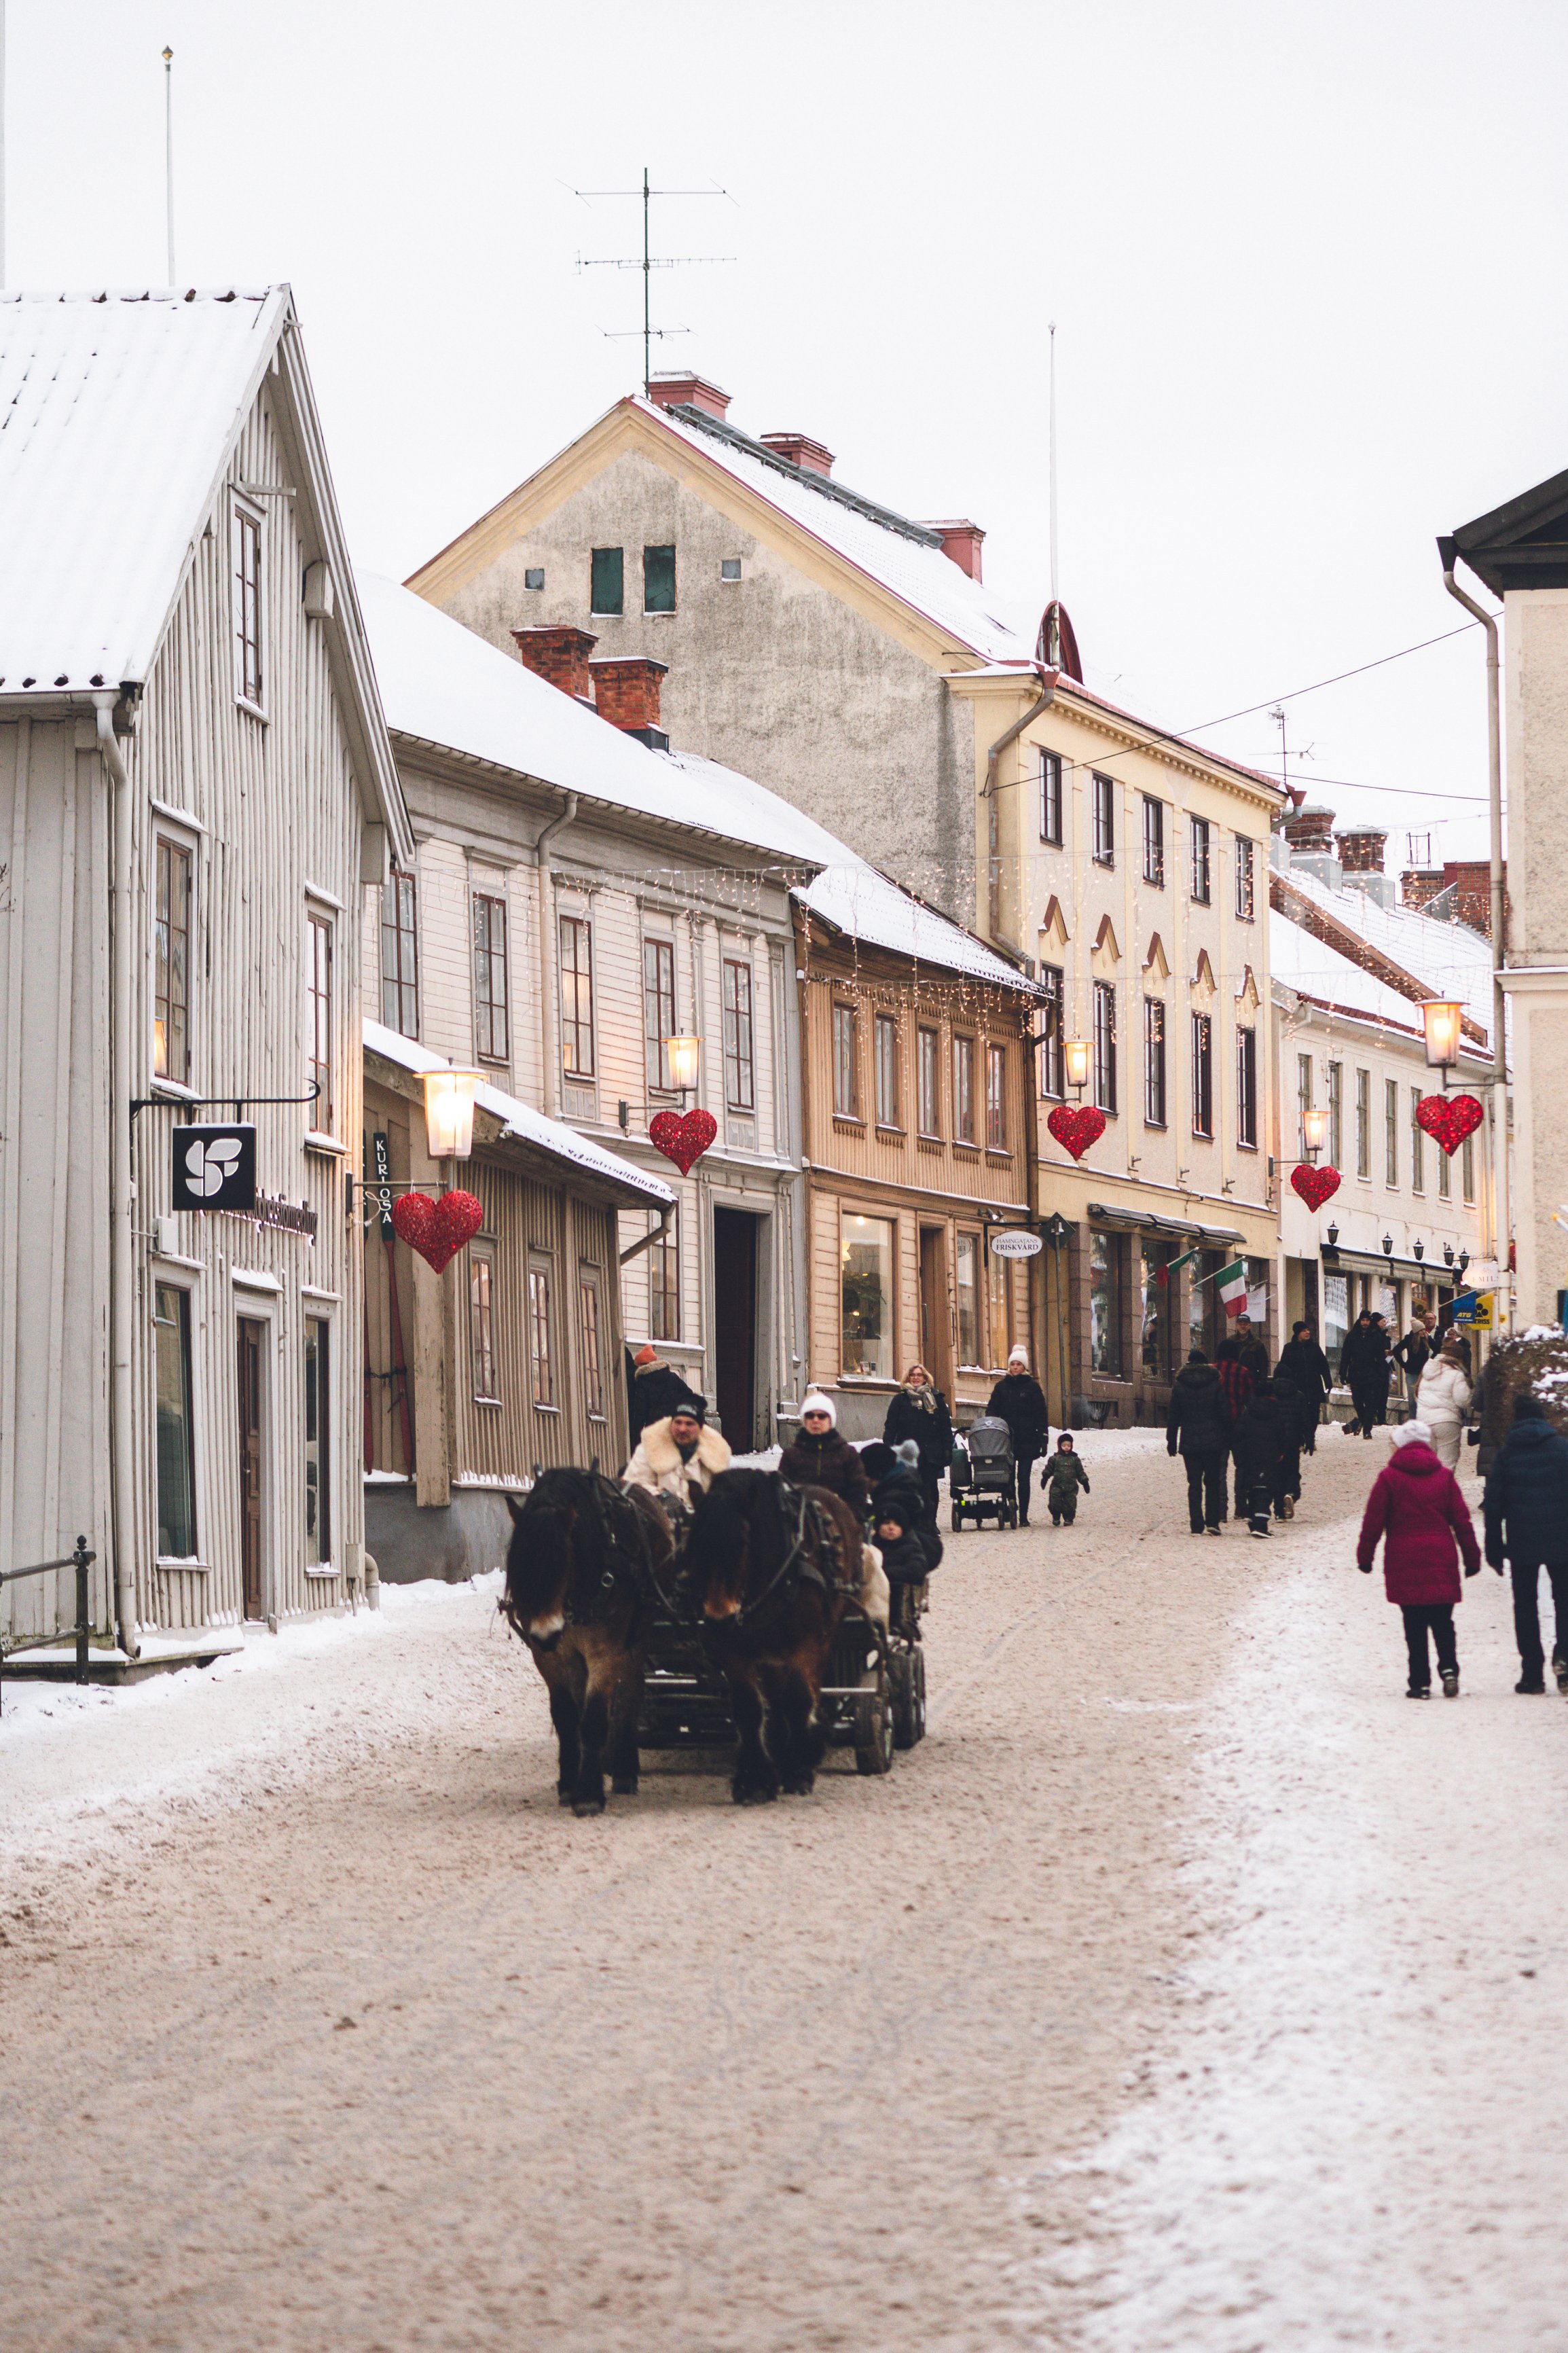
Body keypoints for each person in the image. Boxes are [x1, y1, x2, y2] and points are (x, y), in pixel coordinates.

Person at [1357, 1418, 1481, 1698]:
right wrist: (1472, 1557)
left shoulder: (1389, 1478)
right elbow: (1462, 1520)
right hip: (1441, 1554)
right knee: (1443, 1621)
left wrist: (1365, 1556)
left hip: (1404, 1557)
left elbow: (1374, 1521)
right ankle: (1449, 1669)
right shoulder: (1444, 1477)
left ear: (1400, 1445)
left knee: (1414, 1625)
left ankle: (1420, 1683)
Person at [1483, 1393, 1568, 1695]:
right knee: (1565, 1601)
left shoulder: (1507, 1454)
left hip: (1522, 1542)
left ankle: (1532, 1674)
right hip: (1562, 1540)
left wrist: (1494, 1548)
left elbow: (1493, 1506)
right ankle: (1565, 1658)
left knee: (1525, 1606)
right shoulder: (1563, 1450)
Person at [623, 1400, 731, 1514]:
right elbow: (634, 1485)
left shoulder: (715, 1453)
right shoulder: (650, 1447)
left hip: (701, 1519)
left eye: (689, 1424)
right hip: (658, 1518)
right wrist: (662, 1498)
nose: (682, 1429)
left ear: (700, 1428)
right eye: (678, 1422)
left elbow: (722, 1494)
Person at [1167, 1346, 1232, 1535]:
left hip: (1190, 1442)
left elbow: (1173, 1416)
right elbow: (1224, 1412)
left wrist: (1171, 1441)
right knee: (1212, 1483)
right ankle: (1213, 1522)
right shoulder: (1215, 1383)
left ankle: (1196, 1524)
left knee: (1194, 1483)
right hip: (1213, 1441)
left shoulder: (1180, 1385)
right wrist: (1229, 1436)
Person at [986, 1345, 1050, 1527]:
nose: (1015, 1367)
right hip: (1006, 1440)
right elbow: (992, 1409)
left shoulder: (1032, 1388)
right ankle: (1010, 1509)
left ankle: (1024, 1516)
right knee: (1007, 1478)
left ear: (1024, 1367)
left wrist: (1043, 1438)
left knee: (1023, 1478)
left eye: (1018, 1364)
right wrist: (991, 1426)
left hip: (1028, 1440)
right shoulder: (1001, 1387)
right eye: (1012, 1364)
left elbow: (1041, 1414)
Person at [882, 1363, 954, 1524]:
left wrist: (947, 1449)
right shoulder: (900, 1400)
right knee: (909, 1489)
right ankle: (913, 1522)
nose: (915, 1378)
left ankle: (930, 1523)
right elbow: (891, 1427)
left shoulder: (936, 1399)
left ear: (925, 1378)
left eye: (919, 1375)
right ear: (908, 1378)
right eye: (912, 1375)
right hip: (907, 1454)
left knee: (930, 1490)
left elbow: (945, 1427)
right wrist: (888, 1448)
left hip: (931, 1454)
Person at [779, 1390, 871, 1513]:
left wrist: (848, 1517)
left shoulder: (847, 1454)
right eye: (810, 1416)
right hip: (801, 1518)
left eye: (821, 1416)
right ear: (805, 1420)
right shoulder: (791, 1455)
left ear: (830, 1420)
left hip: (839, 1518)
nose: (815, 1420)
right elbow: (781, 1492)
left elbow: (858, 1492)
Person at [626, 1343, 704, 1451]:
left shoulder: (643, 1383)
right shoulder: (673, 1377)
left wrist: (636, 1441)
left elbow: (640, 1413)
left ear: (641, 1366)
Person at [1415, 1335, 1473, 1471]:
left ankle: (1429, 1484)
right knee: (1446, 1464)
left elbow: (1417, 1396)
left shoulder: (1426, 1372)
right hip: (1447, 1422)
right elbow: (1463, 1400)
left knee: (1428, 1464)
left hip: (1424, 1421)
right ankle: (1443, 1485)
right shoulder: (1456, 1374)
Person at [1276, 1321, 1332, 1454]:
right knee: (1298, 1415)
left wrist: (1328, 1382)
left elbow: (1323, 1366)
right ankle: (1300, 1440)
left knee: (1313, 1414)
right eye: (1304, 1331)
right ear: (1297, 1333)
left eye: (1308, 1330)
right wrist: (1284, 1384)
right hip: (1297, 1387)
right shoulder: (1289, 1348)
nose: (1307, 1332)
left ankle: (1310, 1438)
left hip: (1314, 1386)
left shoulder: (1315, 1348)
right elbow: (1283, 1368)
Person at [1215, 1337, 1255, 1517]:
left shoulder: (1214, 1371)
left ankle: (1221, 1509)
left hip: (1219, 1426)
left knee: (1220, 1470)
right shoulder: (1243, 1372)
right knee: (1242, 1467)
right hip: (1239, 1425)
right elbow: (1250, 1401)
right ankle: (1241, 1506)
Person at [1340, 1308, 1391, 1439]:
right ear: (1359, 1321)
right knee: (1357, 1402)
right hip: (1355, 1374)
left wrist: (1381, 1374)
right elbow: (1345, 1356)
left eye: (1367, 1320)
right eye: (1363, 1320)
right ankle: (1363, 1420)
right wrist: (1343, 1373)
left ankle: (1367, 1430)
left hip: (1371, 1375)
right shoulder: (1352, 1336)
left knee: (1370, 1403)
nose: (1365, 1323)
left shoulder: (1376, 1336)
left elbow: (1381, 1358)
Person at [1042, 1432, 1091, 1526]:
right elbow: (1049, 1469)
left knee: (1070, 1504)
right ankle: (1056, 1517)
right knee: (1055, 1502)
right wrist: (1045, 1478)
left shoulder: (1075, 1459)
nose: (1066, 1447)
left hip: (1071, 1487)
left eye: (1069, 1445)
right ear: (1060, 1446)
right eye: (1064, 1445)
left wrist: (1085, 1482)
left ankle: (1069, 1518)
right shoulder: (1055, 1459)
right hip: (1057, 1485)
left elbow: (1080, 1472)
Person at [1393, 1310, 1438, 1393]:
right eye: (1421, 1330)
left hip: (1424, 1371)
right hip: (1411, 1371)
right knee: (1412, 1395)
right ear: (1416, 1332)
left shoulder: (1427, 1339)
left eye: (1424, 1329)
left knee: (1423, 1394)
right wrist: (1403, 1364)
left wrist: (1430, 1361)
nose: (1424, 1332)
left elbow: (1437, 1350)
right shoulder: (1408, 1339)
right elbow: (1396, 1351)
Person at [1233, 1314, 1271, 1384]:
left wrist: (1262, 1382)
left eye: (1245, 1324)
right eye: (1240, 1324)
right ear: (1237, 1325)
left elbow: (1263, 1365)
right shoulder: (1231, 1342)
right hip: (1234, 1380)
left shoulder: (1257, 1343)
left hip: (1251, 1381)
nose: (1243, 1326)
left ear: (1250, 1326)